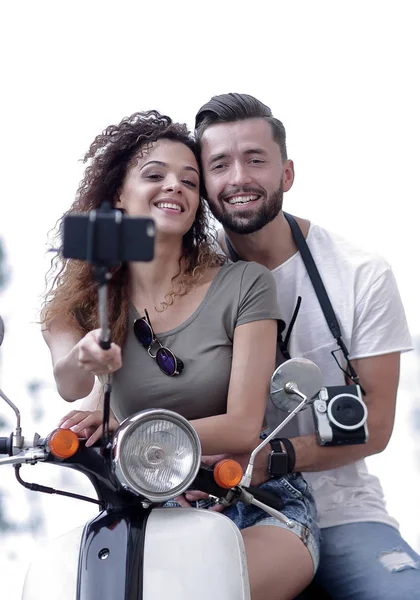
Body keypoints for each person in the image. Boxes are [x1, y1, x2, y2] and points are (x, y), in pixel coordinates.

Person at [41, 110, 320, 600]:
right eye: (155, 175)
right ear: (118, 197)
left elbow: (241, 425)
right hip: (153, 508)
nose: (175, 187)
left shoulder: (243, 284)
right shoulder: (82, 304)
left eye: (189, 181)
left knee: (198, 588)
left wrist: (130, 430)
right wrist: (84, 357)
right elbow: (69, 384)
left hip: (258, 502)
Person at [192, 92, 419, 600]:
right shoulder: (186, 283)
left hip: (344, 512)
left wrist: (274, 457)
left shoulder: (361, 274)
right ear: (203, 184)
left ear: (287, 174)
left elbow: (376, 426)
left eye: (256, 160)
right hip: (225, 512)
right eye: (220, 165)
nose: (239, 179)